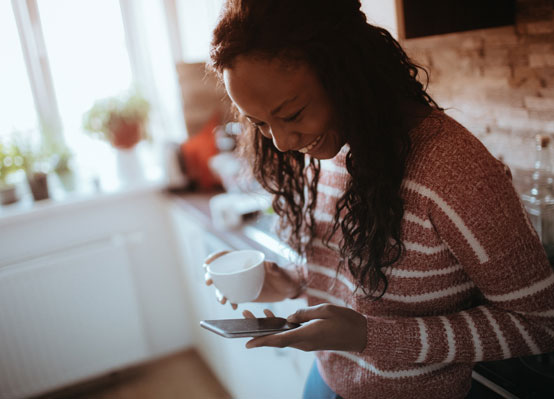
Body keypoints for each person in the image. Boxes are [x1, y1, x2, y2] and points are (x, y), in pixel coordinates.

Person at [204, 1, 554, 398]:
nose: (283, 144)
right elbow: (356, 278)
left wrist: (369, 336)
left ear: (345, 71)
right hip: (325, 382)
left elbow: (542, 323)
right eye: (261, 124)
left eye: (293, 114)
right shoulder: (332, 145)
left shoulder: (455, 169)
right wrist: (293, 281)